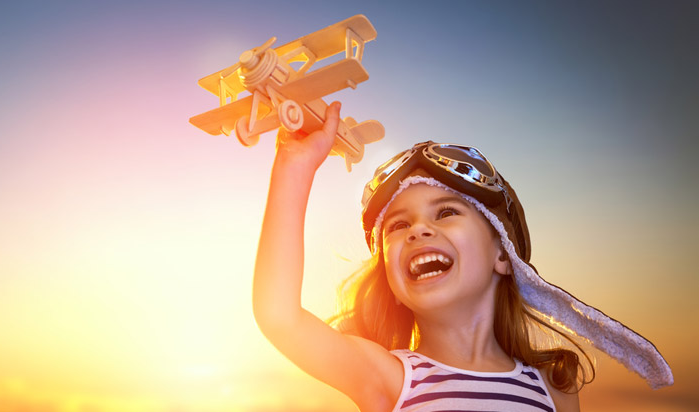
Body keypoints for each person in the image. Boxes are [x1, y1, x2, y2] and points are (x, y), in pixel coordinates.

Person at [252, 102, 672, 412]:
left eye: (447, 212)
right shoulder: (391, 379)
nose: (417, 230)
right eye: (398, 226)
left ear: (503, 256)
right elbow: (280, 317)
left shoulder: (555, 390)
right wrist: (295, 164)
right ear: (392, 283)